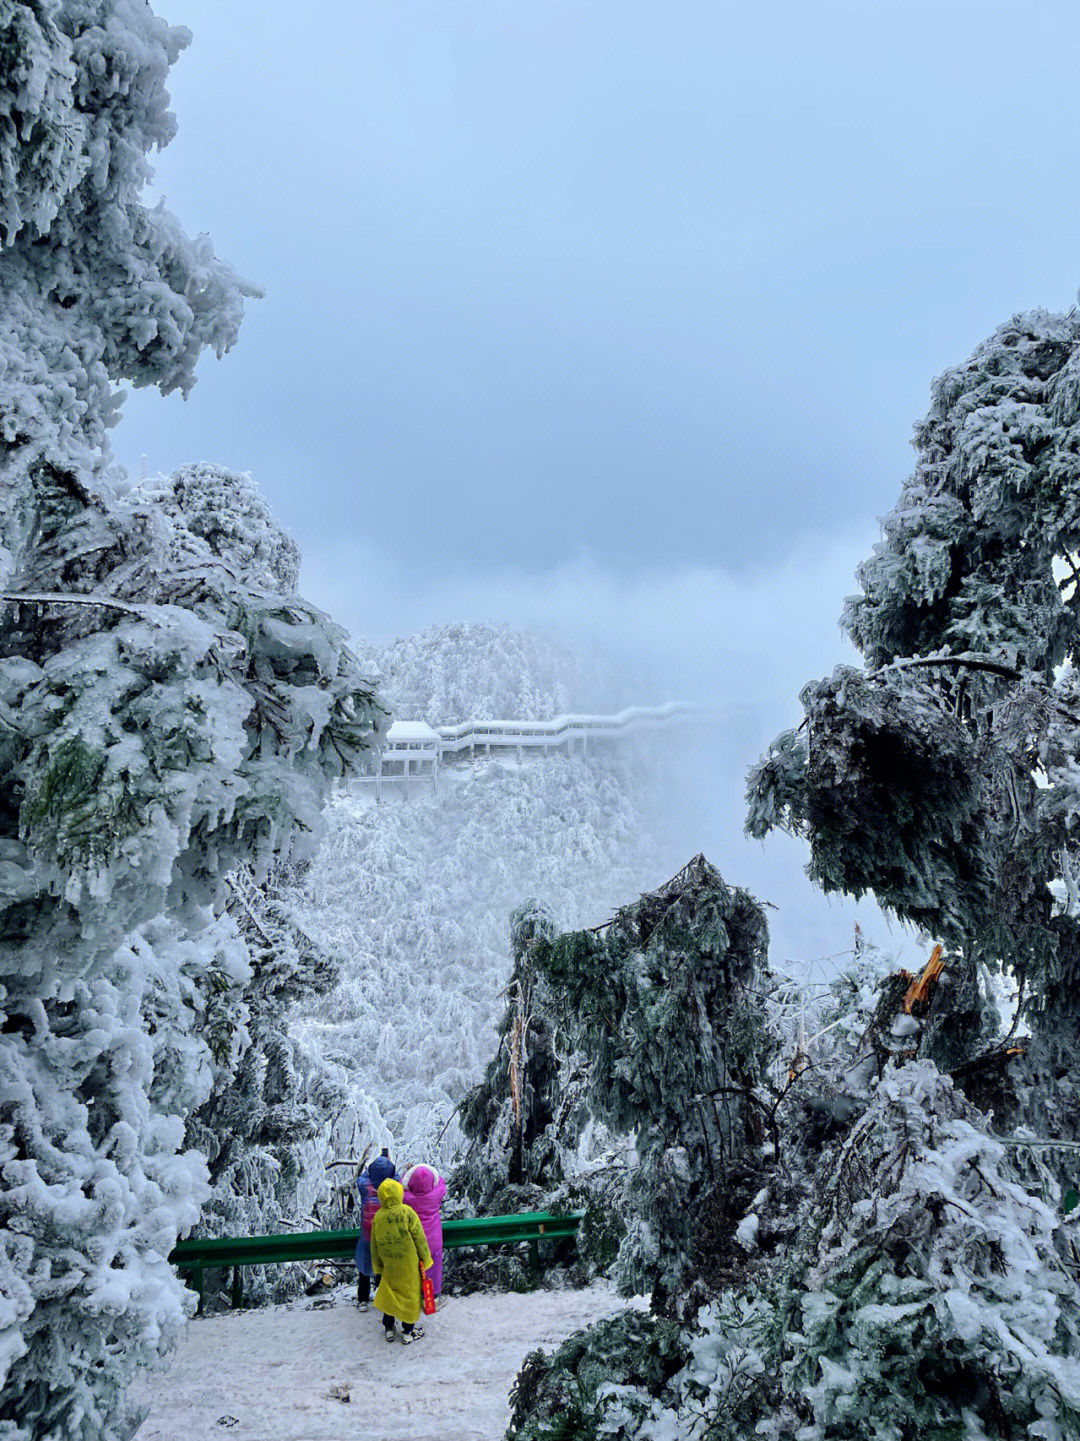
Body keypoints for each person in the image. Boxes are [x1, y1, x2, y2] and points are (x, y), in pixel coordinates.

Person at [369, 1177, 433, 1345]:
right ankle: (408, 1331)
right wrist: (425, 1259)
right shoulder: (407, 1212)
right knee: (409, 1295)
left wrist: (378, 1267)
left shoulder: (378, 1217)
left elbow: (374, 1245)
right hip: (408, 1263)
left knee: (390, 1294)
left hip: (389, 1264)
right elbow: (419, 1238)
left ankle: (389, 1329)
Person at [353, 1149, 396, 1310]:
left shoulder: (365, 1187)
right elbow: (397, 1177)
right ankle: (380, 1294)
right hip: (386, 1235)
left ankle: (363, 1300)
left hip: (367, 1234)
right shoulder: (393, 1188)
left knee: (365, 1264)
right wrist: (390, 1165)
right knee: (383, 1264)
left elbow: (362, 1177)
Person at [401, 1163, 447, 1298]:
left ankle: (414, 1295)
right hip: (433, 1239)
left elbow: (399, 1186)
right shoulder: (436, 1195)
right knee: (433, 1267)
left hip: (414, 1240)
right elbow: (441, 1182)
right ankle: (432, 1296)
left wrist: (407, 1172)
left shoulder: (406, 1197)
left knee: (413, 1268)